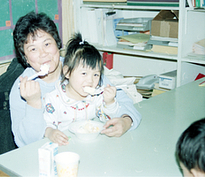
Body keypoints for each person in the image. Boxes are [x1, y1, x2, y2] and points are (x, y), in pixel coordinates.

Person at [10, 11, 141, 147]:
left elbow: (124, 101)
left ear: (57, 43)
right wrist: (33, 103)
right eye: (33, 49)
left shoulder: (80, 67)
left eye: (47, 44)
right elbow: (25, 143)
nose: (43, 54)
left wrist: (126, 122)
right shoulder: (22, 88)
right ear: (25, 57)